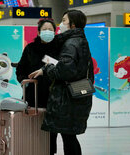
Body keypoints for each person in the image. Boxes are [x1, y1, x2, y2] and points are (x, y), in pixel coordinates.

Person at [29, 10, 94, 155]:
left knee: (68, 137)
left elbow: (65, 71)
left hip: (66, 99)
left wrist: (48, 68)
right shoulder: (81, 41)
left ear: (73, 24)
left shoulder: (71, 43)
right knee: (69, 136)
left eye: (64, 21)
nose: (61, 24)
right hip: (76, 95)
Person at [16, 18, 59, 109]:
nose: (47, 32)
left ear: (54, 32)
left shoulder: (59, 49)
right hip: (33, 93)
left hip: (54, 95)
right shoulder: (30, 48)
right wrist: (24, 81)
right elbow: (20, 68)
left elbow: (62, 68)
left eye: (50, 30)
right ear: (39, 32)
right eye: (44, 29)